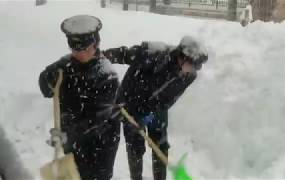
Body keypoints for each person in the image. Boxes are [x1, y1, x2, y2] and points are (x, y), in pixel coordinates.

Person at [103, 36, 208, 180]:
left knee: (161, 146)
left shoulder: (190, 76)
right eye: (193, 64)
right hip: (129, 105)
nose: (194, 70)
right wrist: (101, 57)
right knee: (135, 146)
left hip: (157, 108)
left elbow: (169, 100)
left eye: (198, 66)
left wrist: (147, 117)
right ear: (182, 56)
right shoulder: (152, 53)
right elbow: (125, 54)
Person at [38, 15, 120, 180]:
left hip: (100, 144)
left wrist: (67, 133)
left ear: (96, 45)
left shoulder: (107, 75)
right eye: (75, 50)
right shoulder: (67, 65)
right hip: (73, 142)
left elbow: (96, 120)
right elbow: (46, 89)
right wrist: (48, 77)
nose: (79, 54)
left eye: (84, 49)